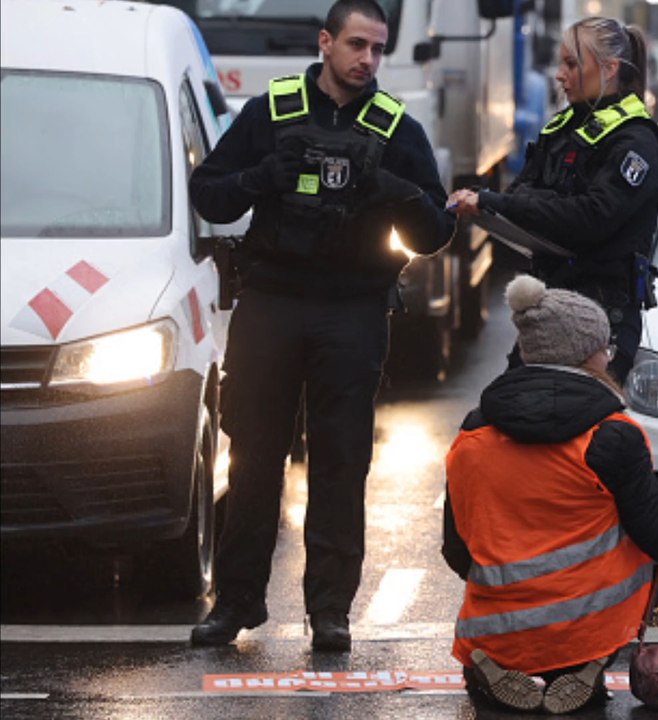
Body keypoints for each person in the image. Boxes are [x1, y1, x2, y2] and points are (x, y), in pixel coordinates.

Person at [187, 0, 454, 652]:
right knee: (253, 460)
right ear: (325, 42)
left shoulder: (394, 127)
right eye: (356, 44)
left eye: (378, 48)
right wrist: (262, 176)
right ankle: (237, 604)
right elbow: (209, 192)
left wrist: (394, 187)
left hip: (353, 310)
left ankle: (330, 612)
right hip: (272, 304)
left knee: (340, 463)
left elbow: (437, 231)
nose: (368, 59)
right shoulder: (270, 113)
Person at [441, 274, 658, 714]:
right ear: (586, 355)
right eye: (604, 348)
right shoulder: (612, 436)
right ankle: (587, 664)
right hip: (586, 626)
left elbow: (456, 549)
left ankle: (490, 666)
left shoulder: (474, 431)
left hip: (494, 628)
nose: (609, 357)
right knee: (631, 535)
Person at [446, 17, 658, 382]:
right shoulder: (564, 128)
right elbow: (522, 196)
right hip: (550, 308)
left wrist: (495, 202)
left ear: (610, 69)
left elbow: (588, 219)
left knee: (580, 429)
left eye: (571, 64)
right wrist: (506, 205)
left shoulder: (636, 141)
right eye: (560, 62)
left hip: (601, 319)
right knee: (500, 416)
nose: (559, 75)